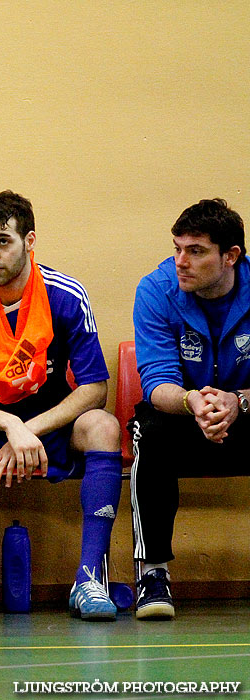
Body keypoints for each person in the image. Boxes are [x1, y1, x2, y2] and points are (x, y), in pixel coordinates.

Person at [0, 191, 123, 620]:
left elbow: (94, 388)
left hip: (48, 427)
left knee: (103, 426)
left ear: (29, 241)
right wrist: (10, 426)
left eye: (2, 241)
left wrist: (27, 429)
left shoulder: (65, 295)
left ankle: (91, 578)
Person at [131, 198, 250, 620]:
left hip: (246, 415)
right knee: (148, 427)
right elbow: (156, 382)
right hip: (186, 420)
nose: (181, 261)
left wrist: (239, 401)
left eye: (195, 251)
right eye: (177, 248)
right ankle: (152, 574)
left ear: (230, 256)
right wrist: (193, 401)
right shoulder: (155, 290)